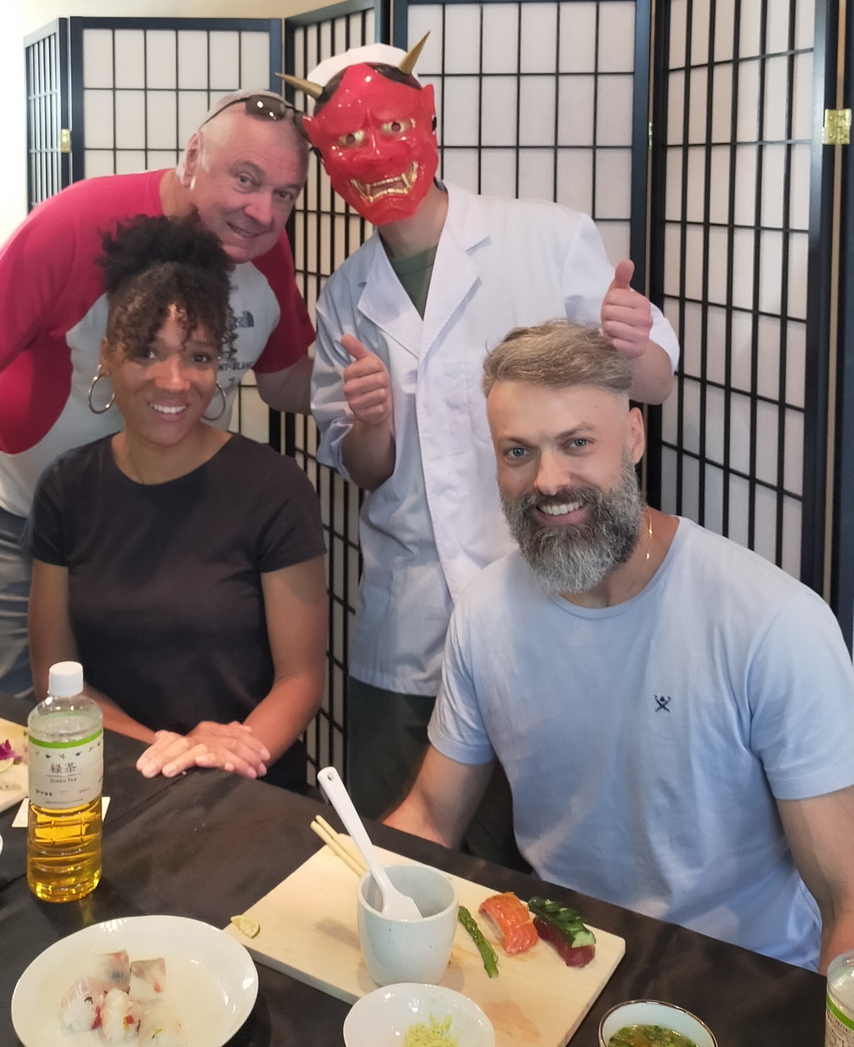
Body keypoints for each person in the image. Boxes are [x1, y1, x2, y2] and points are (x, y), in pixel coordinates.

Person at [386, 319, 854, 971]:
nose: (548, 480)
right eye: (518, 452)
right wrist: (345, 887)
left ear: (633, 436)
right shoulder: (486, 613)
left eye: (577, 443)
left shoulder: (771, 624)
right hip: (564, 962)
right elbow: (431, 817)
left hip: (742, 981)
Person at [285, 42, 679, 842]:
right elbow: (366, 470)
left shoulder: (547, 236)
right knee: (400, 853)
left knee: (542, 859)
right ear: (324, 158)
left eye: (391, 128)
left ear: (427, 118)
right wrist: (372, 423)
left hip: (550, 598)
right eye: (347, 141)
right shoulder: (346, 293)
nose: (375, 155)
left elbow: (654, 383)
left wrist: (633, 341)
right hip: (410, 625)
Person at [0, 91, 315, 695]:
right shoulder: (77, 222)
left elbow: (285, 382)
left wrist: (375, 390)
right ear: (193, 156)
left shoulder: (261, 250)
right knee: (9, 708)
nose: (262, 212)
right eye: (246, 180)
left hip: (162, 518)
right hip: (21, 508)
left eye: (285, 194)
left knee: (137, 710)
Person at [27, 215, 327, 791]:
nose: (173, 381)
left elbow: (301, 680)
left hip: (247, 785)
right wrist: (170, 752)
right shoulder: (66, 489)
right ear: (108, 355)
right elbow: (55, 678)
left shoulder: (274, 489)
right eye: (147, 352)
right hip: (115, 775)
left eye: (199, 358)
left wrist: (218, 758)